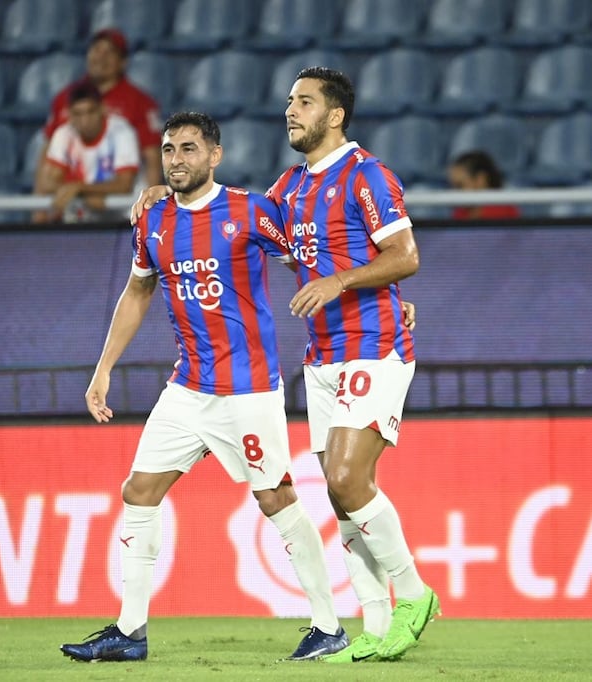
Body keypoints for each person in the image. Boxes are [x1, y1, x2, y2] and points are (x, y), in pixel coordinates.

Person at [132, 67, 438, 664]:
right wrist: (165, 193)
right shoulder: (290, 188)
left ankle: (416, 595)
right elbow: (228, 215)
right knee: (340, 495)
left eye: (304, 102)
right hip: (320, 356)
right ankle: (374, 627)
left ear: (335, 115)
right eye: (289, 102)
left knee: (350, 481)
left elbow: (405, 255)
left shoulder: (367, 175)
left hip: (372, 344)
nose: (291, 111)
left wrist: (343, 281)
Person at [60, 112, 351, 664]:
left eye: (189, 149)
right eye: (169, 150)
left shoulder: (250, 211)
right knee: (138, 491)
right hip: (188, 387)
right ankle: (130, 632)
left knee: (275, 498)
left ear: (214, 156)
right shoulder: (154, 221)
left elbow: (312, 261)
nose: (177, 159)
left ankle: (327, 625)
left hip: (248, 391)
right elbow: (137, 293)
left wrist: (380, 300)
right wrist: (103, 369)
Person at [32, 28, 162, 221]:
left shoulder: (140, 102)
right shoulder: (65, 98)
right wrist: (40, 210)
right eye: (96, 50)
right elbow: (48, 155)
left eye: (109, 52)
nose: (101, 57)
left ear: (123, 62)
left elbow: (152, 159)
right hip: (74, 204)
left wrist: (151, 214)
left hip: (120, 202)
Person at [36, 78, 141, 222]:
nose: (85, 121)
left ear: (102, 109)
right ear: (70, 115)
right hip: (83, 217)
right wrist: (83, 193)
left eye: (90, 112)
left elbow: (124, 185)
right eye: (78, 114)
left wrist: (79, 188)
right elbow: (47, 183)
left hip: (123, 219)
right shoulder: (63, 134)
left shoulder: (122, 132)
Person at [447, 150, 520, 220]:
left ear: (480, 180)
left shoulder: (505, 211)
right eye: (452, 187)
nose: (454, 193)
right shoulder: (459, 213)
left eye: (460, 186)